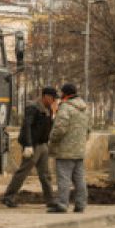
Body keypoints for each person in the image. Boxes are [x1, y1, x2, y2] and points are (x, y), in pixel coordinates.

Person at [0, 86, 57, 208]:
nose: (54, 101)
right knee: (23, 172)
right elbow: (27, 126)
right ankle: (8, 197)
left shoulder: (49, 109)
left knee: (45, 174)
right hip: (33, 145)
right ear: (46, 96)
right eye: (52, 98)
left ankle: (50, 199)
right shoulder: (33, 107)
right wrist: (28, 145)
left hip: (42, 145)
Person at [47, 82, 91, 214]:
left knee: (64, 178)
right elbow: (89, 129)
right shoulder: (85, 108)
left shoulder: (65, 108)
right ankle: (81, 204)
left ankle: (62, 204)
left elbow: (60, 128)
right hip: (79, 149)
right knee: (79, 179)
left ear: (65, 94)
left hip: (65, 150)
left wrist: (52, 140)